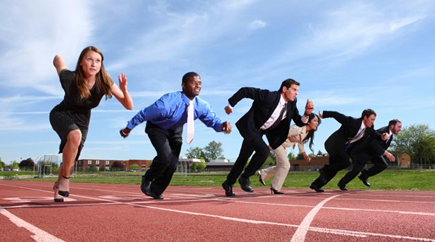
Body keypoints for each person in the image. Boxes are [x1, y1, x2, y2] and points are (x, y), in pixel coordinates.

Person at [120, 72, 232, 200]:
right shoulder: (167, 104)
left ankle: (156, 190)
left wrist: (222, 125)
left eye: (199, 83)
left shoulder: (201, 106)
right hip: (157, 127)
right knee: (165, 158)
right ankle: (148, 178)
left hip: (176, 129)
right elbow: (144, 114)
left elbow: (212, 121)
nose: (197, 85)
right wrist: (128, 128)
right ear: (183, 85)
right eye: (193, 82)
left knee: (172, 164)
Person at [50, 46, 134, 202]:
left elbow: (129, 106)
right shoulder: (70, 78)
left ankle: (57, 185)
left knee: (72, 158)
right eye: (89, 59)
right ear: (81, 62)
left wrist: (124, 90)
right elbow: (58, 62)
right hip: (61, 114)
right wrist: (58, 57)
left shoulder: (104, 82)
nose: (94, 64)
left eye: (98, 61)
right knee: (75, 136)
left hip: (82, 120)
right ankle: (66, 180)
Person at [222, 78, 314, 197]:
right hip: (250, 127)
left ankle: (228, 183)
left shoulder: (292, 103)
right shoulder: (268, 96)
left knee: (243, 158)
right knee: (263, 151)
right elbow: (245, 91)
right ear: (284, 89)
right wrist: (231, 104)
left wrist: (307, 113)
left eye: (298, 90)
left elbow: (299, 121)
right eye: (294, 89)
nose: (297, 93)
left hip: (261, 132)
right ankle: (244, 177)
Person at [309, 109, 390, 192]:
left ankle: (316, 184)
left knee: (335, 167)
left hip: (342, 147)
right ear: (365, 117)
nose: (373, 122)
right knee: (346, 162)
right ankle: (324, 170)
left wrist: (382, 136)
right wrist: (324, 114)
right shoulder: (352, 122)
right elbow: (337, 115)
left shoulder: (369, 128)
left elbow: (374, 135)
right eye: (372, 119)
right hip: (334, 144)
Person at [258, 113, 321, 194]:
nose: (317, 123)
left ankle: (263, 174)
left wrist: (305, 155)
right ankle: (275, 187)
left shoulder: (307, 132)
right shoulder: (298, 128)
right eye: (315, 120)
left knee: (281, 166)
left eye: (317, 121)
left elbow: (300, 143)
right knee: (286, 165)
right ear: (308, 122)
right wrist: (271, 144)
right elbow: (284, 133)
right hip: (278, 143)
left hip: (284, 145)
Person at [337, 119, 402, 189]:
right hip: (364, 151)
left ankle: (364, 176)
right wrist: (386, 153)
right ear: (392, 126)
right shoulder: (383, 131)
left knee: (382, 165)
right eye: (399, 127)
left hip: (374, 153)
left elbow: (382, 146)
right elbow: (373, 143)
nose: (400, 129)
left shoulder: (390, 135)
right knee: (356, 170)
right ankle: (342, 183)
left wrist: (384, 153)